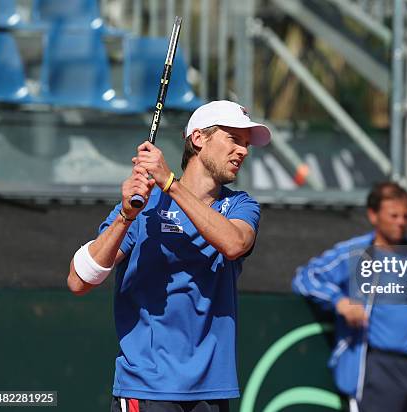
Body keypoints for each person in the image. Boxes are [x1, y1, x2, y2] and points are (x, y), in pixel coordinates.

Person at [66, 100, 271, 412]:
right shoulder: (144, 206)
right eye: (233, 139)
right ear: (199, 138)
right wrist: (126, 215)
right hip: (147, 387)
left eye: (246, 144)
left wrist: (170, 184)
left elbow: (234, 243)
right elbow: (79, 281)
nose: (243, 151)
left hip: (211, 392)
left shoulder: (242, 205)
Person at [292, 182, 407, 412]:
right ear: (373, 215)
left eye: (405, 216)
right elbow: (305, 277)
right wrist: (339, 300)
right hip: (376, 367)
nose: (401, 222)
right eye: (393, 215)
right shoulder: (355, 252)